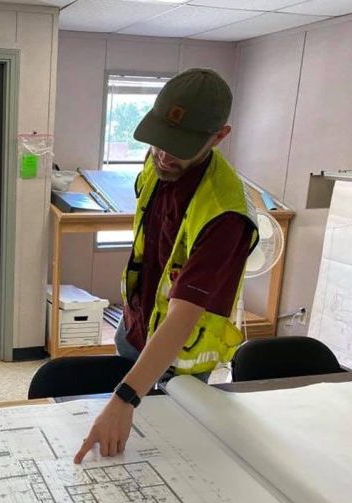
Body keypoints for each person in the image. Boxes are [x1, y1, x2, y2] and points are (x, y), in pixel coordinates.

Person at [73, 68, 259, 463]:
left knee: (170, 461)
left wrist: (125, 397)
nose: (163, 153)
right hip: (135, 327)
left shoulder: (226, 214)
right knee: (120, 455)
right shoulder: (158, 159)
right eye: (159, 139)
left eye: (179, 145)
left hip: (182, 360)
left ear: (220, 136)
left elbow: (184, 314)